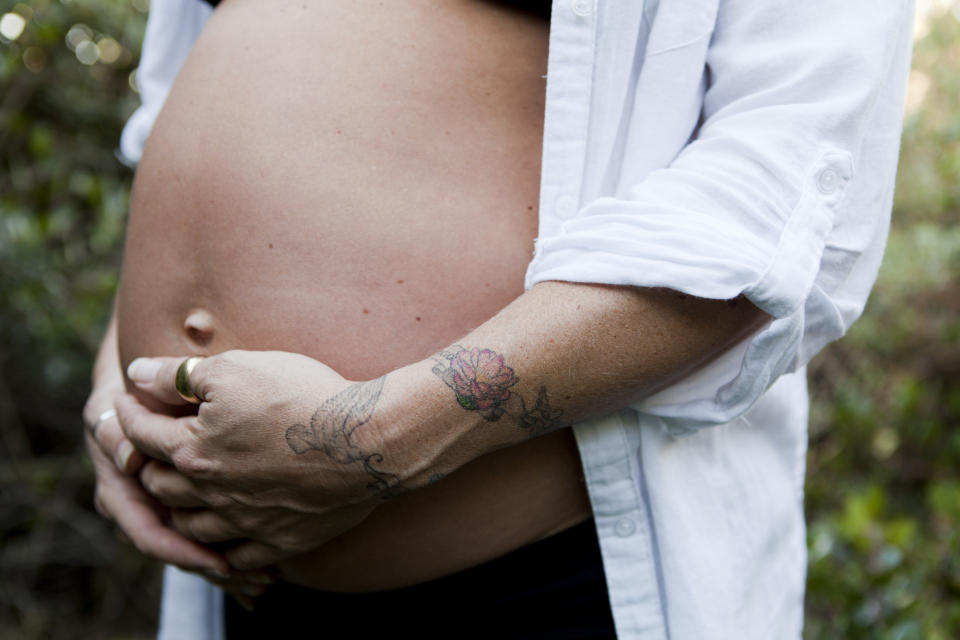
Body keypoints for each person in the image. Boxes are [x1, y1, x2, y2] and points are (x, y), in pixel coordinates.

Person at [83, 0, 914, 638]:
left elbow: (791, 184)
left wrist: (372, 440)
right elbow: (177, 110)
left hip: (544, 588)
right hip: (239, 581)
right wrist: (115, 390)